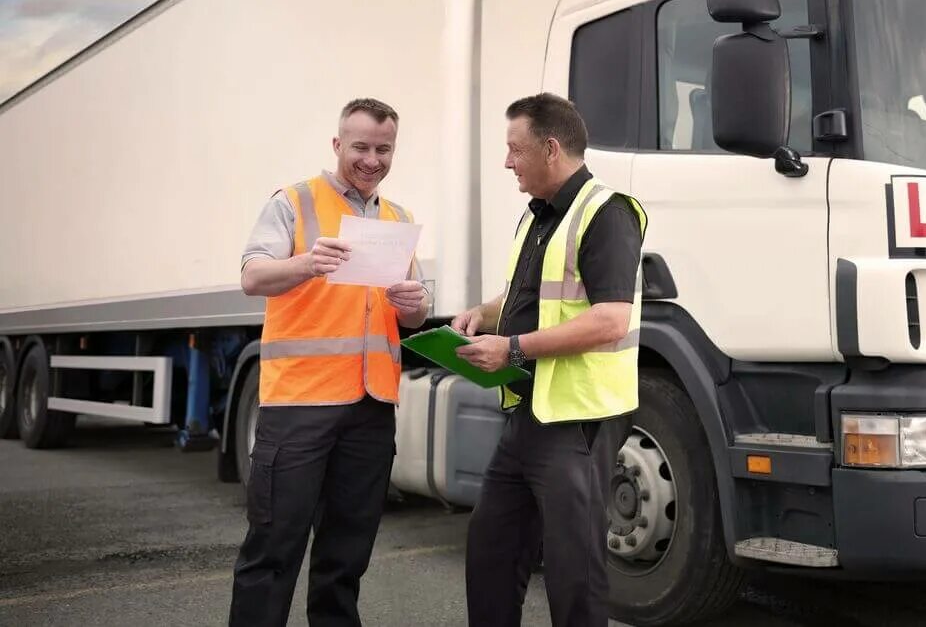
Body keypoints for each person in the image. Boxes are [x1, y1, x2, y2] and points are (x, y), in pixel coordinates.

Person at [228, 97, 429, 627]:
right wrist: (306, 263)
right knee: (274, 549)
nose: (372, 159)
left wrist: (417, 306)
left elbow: (411, 314)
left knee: (346, 556)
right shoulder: (294, 202)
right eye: (360, 146)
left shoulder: (398, 219)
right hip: (300, 404)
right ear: (338, 144)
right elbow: (252, 277)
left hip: (370, 407)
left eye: (384, 149)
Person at [453, 92, 647, 627]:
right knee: (491, 553)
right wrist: (482, 316)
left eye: (515, 149)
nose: (507, 162)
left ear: (551, 148)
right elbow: (524, 298)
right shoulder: (538, 216)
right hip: (528, 415)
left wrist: (511, 348)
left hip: (576, 422)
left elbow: (611, 319)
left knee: (574, 573)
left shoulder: (606, 213)